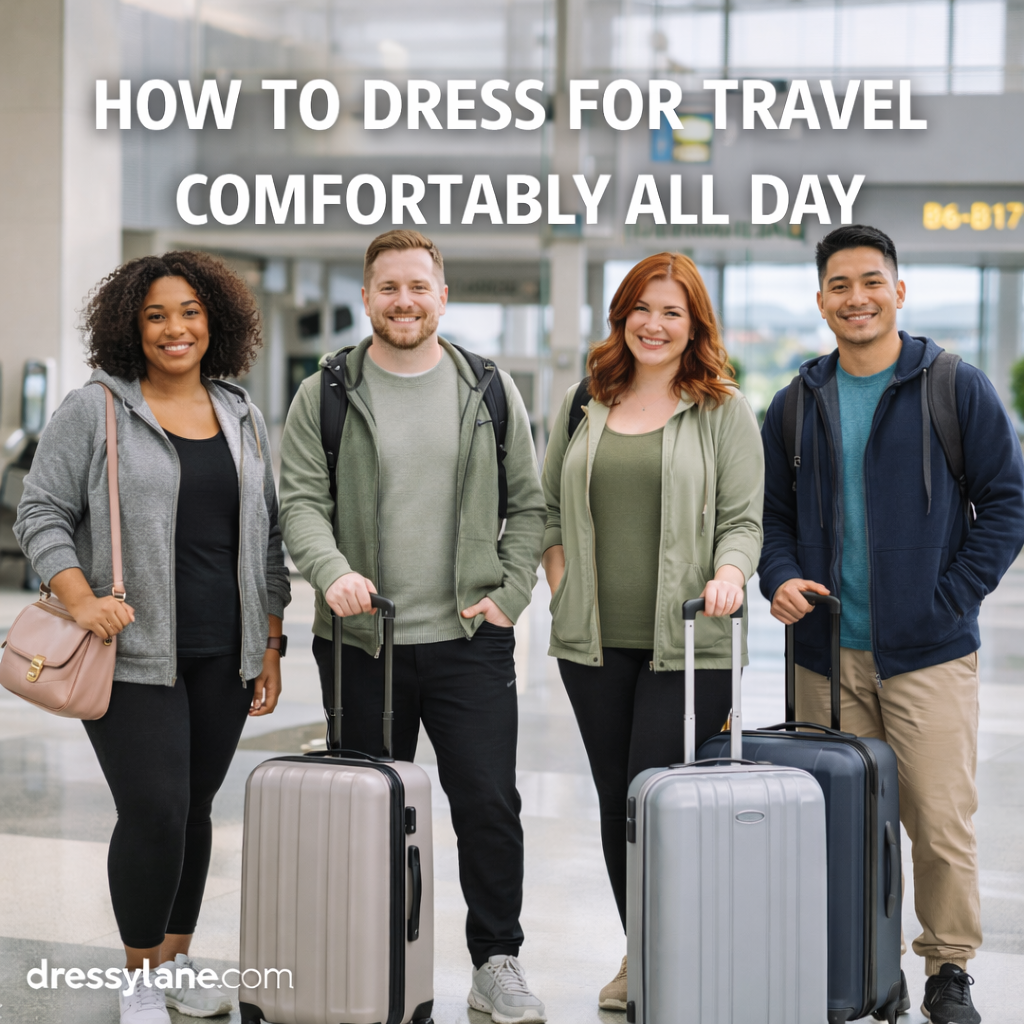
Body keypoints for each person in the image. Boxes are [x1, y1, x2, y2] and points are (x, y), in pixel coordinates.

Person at [278, 229, 547, 1023]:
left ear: (442, 296)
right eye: (388, 287)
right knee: (367, 809)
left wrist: (509, 594)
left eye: (418, 287)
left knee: (489, 806)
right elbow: (300, 503)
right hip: (364, 644)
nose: (404, 301)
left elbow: (529, 506)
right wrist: (332, 576)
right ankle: (367, 956)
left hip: (469, 639)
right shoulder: (323, 391)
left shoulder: (487, 388)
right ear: (367, 297)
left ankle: (496, 960)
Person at [15, 252, 291, 1024]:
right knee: (157, 809)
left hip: (224, 652)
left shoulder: (241, 412)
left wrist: (269, 642)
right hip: (133, 653)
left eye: (191, 312)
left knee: (197, 807)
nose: (176, 329)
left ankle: (177, 959)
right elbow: (39, 512)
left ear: (217, 322)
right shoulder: (96, 408)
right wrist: (81, 598)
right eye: (157, 315)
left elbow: (265, 539)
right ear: (131, 327)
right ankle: (137, 973)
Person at [759, 224, 1024, 1024]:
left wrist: (951, 599)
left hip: (928, 653)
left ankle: (947, 968)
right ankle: (862, 968)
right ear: (821, 301)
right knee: (833, 824)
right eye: (839, 285)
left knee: (939, 822)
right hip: (823, 655)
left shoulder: (953, 384)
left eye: (871, 282)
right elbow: (769, 519)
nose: (856, 298)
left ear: (898, 291)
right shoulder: (796, 402)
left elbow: (1006, 504)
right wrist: (777, 578)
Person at [540, 252, 764, 1011]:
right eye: (642, 307)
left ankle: (679, 948)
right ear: (621, 316)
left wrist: (731, 573)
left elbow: (743, 519)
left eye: (672, 311)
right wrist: (562, 586)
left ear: (695, 323)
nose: (654, 324)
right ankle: (643, 952)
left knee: (660, 797)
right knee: (616, 802)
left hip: (692, 646)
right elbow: (545, 510)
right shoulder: (585, 400)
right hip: (594, 645)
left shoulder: (722, 408)